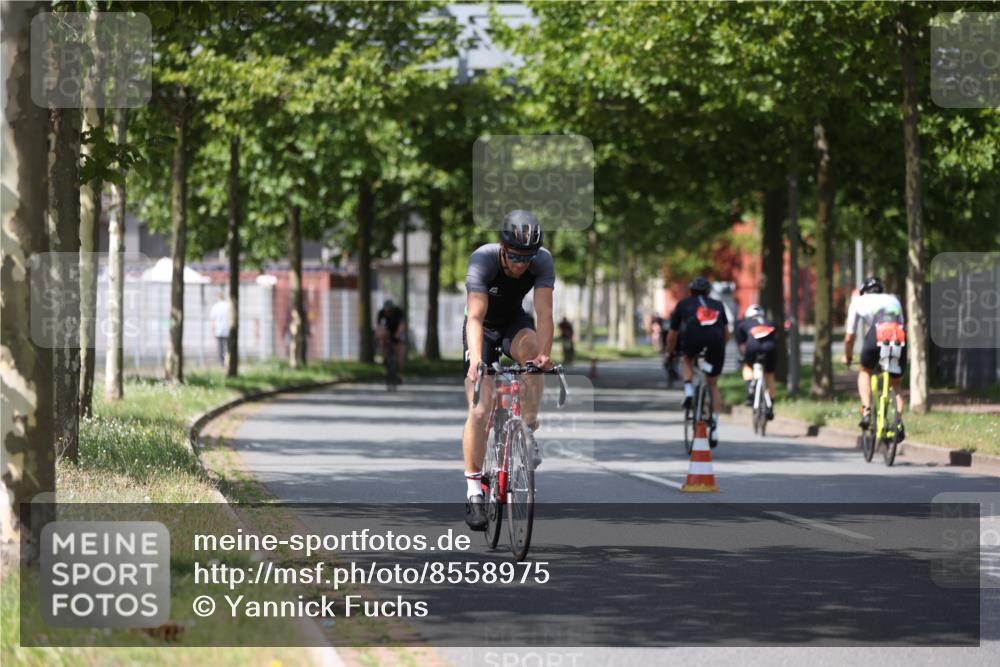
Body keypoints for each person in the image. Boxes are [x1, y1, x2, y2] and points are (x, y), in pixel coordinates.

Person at [462, 210, 554, 530]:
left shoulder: (542, 261)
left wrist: (544, 355)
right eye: (515, 256)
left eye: (527, 257)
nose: (520, 264)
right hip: (482, 331)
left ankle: (527, 427)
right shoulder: (482, 260)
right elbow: (474, 317)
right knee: (480, 408)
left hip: (514, 324)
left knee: (534, 359)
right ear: (502, 247)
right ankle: (474, 490)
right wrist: (476, 361)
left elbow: (544, 313)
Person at [665, 277, 729, 446]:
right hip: (716, 342)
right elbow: (726, 333)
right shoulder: (718, 305)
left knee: (686, 359)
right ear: (708, 292)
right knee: (713, 384)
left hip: (693, 339)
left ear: (690, 291)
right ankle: (714, 426)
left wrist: (669, 352)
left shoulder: (683, 304)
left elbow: (672, 335)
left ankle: (688, 390)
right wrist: (720, 349)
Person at [843, 276, 906, 441]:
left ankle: (867, 411)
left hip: (876, 334)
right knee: (895, 382)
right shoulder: (893, 299)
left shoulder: (858, 301)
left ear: (863, 291)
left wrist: (848, 356)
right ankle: (898, 422)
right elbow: (901, 325)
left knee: (865, 370)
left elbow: (850, 336)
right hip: (897, 335)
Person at [734, 304, 777, 419]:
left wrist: (743, 355)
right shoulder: (770, 322)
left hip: (752, 348)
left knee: (747, 366)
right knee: (769, 375)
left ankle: (750, 390)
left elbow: (741, 342)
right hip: (770, 349)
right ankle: (770, 405)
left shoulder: (744, 324)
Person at [376, 298, 406, 379]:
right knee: (383, 338)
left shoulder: (398, 312)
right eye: (386, 310)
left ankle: (399, 371)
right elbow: (379, 327)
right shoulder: (381, 313)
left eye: (390, 310)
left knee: (400, 351)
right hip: (388, 331)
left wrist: (398, 334)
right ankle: (385, 357)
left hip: (398, 331)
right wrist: (380, 336)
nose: (388, 312)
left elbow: (401, 325)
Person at [209, 290, 231, 366]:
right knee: (228, 348)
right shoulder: (228, 306)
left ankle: (222, 363)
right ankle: (228, 362)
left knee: (220, 348)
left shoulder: (215, 307)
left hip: (219, 330)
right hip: (227, 329)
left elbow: (212, 320)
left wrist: (213, 330)